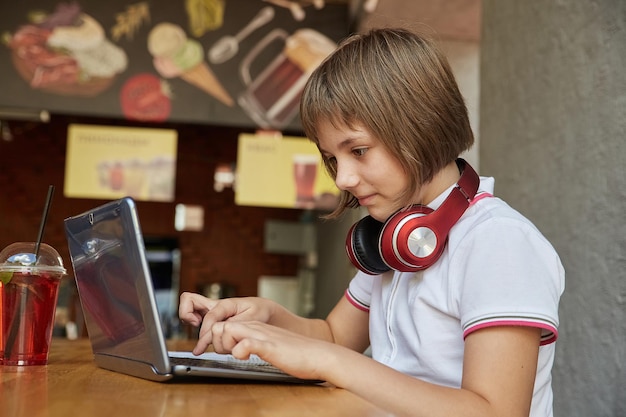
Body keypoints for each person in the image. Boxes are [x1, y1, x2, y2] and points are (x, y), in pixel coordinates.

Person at [179, 28, 565, 417]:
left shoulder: (499, 242)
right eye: (333, 159)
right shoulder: (394, 241)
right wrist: (267, 317)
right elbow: (333, 338)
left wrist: (328, 361)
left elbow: (495, 412)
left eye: (358, 150)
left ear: (421, 125)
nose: (343, 178)